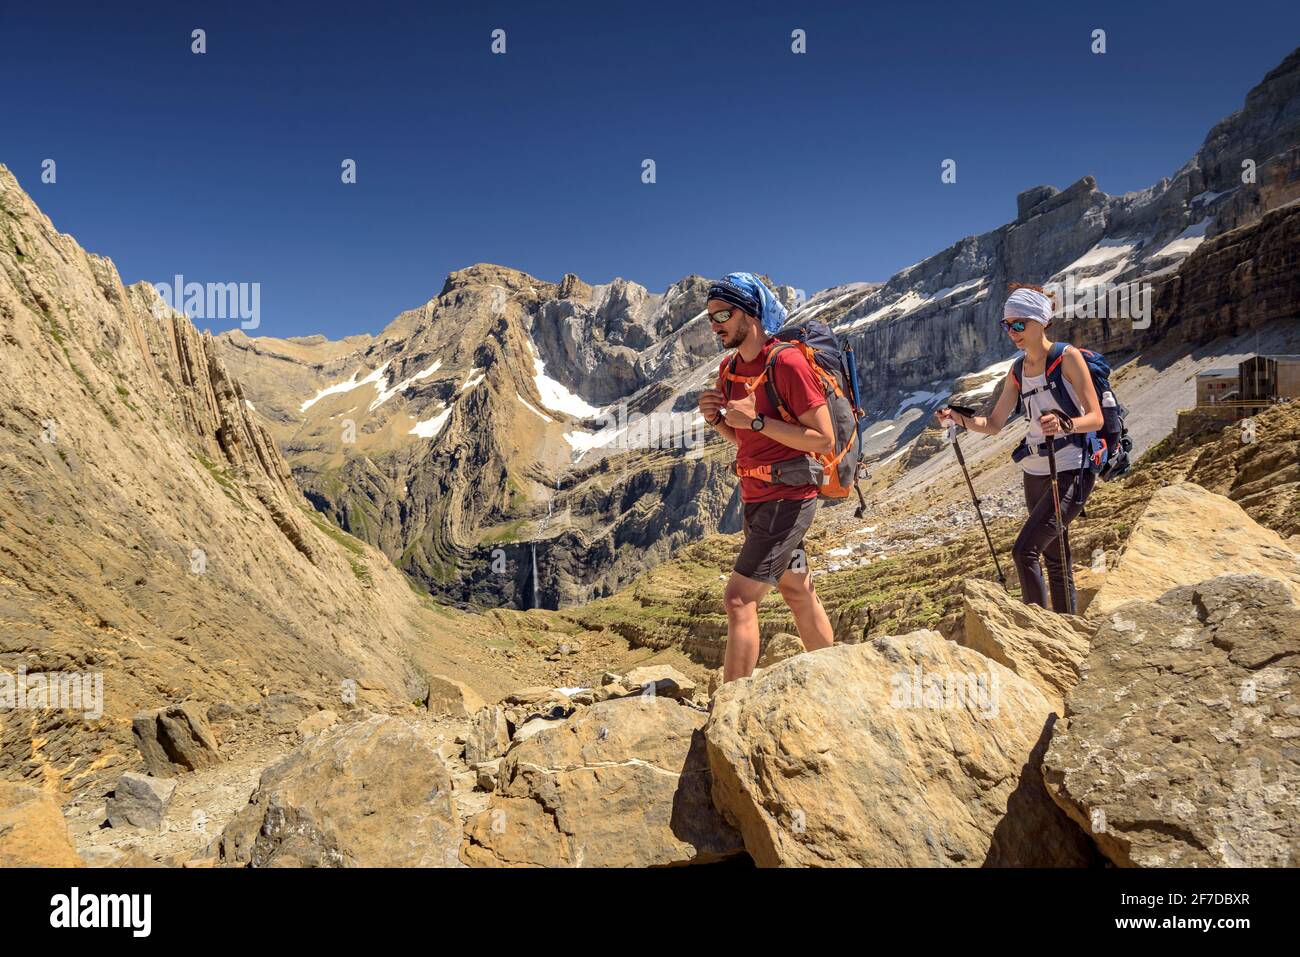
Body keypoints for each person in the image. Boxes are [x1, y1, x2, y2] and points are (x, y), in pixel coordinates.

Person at [697, 273, 837, 682]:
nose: (715, 323)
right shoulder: (729, 369)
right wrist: (717, 422)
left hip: (788, 498)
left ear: (751, 313)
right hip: (756, 497)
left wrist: (755, 421)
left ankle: (731, 707)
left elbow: (824, 438)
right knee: (795, 587)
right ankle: (834, 677)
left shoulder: (787, 362)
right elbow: (744, 439)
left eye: (724, 313)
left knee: (739, 600)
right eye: (710, 317)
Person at [935, 284, 1104, 614]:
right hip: (1036, 471)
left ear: (1041, 321)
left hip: (1071, 468)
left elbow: (1095, 418)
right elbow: (994, 424)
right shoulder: (1016, 370)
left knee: (1024, 551)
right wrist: (957, 418)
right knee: (1055, 556)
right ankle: (1063, 631)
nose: (1012, 333)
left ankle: (1034, 632)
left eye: (1019, 324)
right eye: (1007, 325)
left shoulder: (1067, 358)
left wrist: (1065, 423)